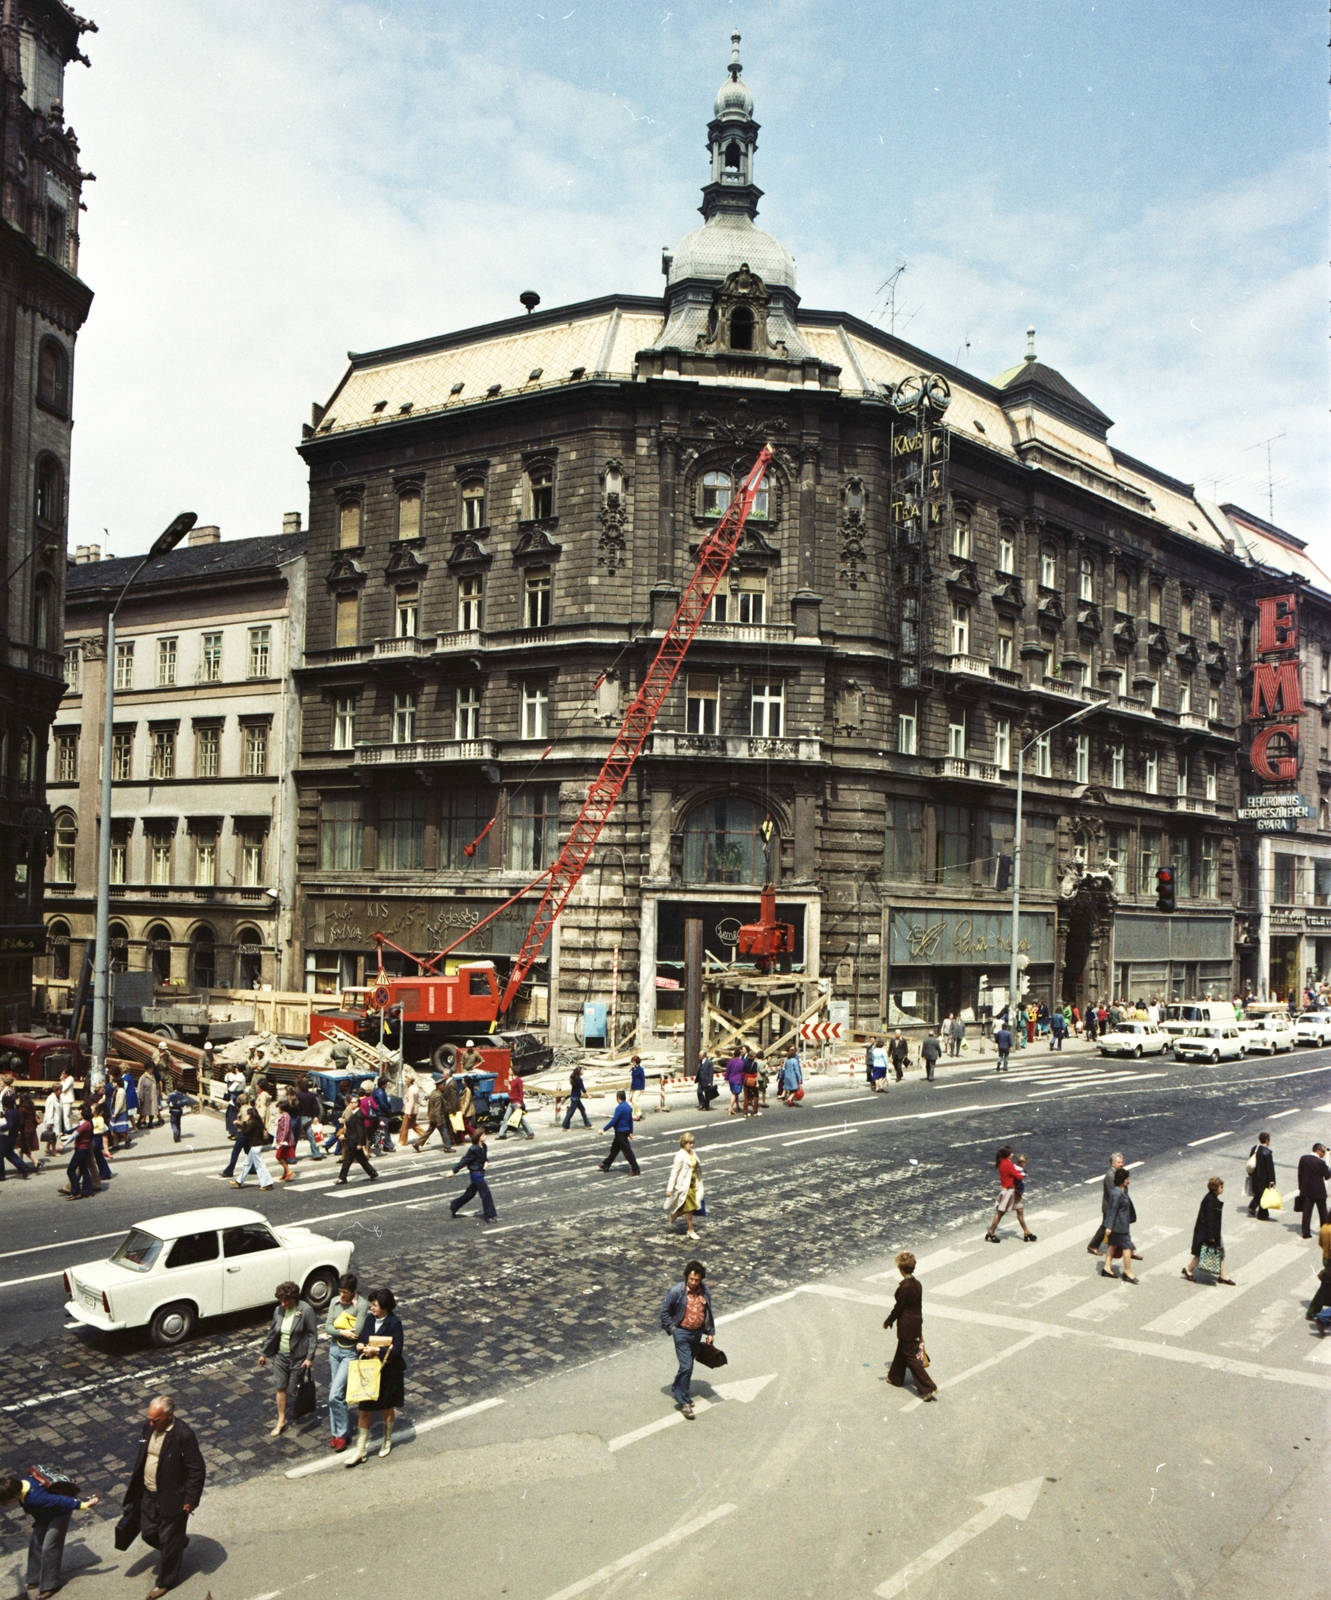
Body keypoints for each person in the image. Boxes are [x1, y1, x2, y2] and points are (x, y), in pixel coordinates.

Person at [122, 1395, 206, 1599]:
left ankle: (165, 1582)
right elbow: (142, 1448)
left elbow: (197, 1468)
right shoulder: (148, 1428)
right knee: (148, 1532)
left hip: (173, 1497)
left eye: (156, 1420)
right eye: (150, 1419)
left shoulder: (183, 1435)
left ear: (169, 1415)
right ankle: (176, 1545)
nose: (151, 1423)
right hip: (148, 1493)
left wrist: (190, 1499)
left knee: (169, 1539)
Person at [0, 1470, 99, 1598]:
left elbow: (60, 1500)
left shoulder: (35, 1497)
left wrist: (83, 1505)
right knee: (36, 1542)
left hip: (60, 1513)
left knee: (50, 1547)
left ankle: (51, 1585)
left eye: (5, 1502)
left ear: (13, 1495)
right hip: (45, 1514)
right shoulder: (24, 1483)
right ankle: (34, 1578)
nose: (5, 1505)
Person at [346, 1288, 406, 1464]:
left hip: (388, 1372)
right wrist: (361, 1346)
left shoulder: (395, 1323)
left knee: (386, 1407)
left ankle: (387, 1440)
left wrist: (377, 1350)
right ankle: (360, 1449)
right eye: (371, 1305)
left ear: (385, 1307)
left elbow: (396, 1350)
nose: (372, 1308)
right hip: (370, 1371)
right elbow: (363, 1339)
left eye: (375, 1305)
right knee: (364, 1408)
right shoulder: (370, 1320)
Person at [257, 1281, 318, 1435]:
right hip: (280, 1356)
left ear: (294, 1299)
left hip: (299, 1357)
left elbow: (312, 1335)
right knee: (280, 1386)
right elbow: (272, 1333)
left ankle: (306, 1402)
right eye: (281, 1301)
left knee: (292, 1389)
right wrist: (264, 1353)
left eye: (286, 1301)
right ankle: (281, 1419)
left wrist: (309, 1357)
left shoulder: (306, 1310)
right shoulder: (279, 1310)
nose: (283, 1304)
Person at [659, 1260, 715, 1420]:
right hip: (682, 1333)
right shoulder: (677, 1291)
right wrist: (673, 1330)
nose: (694, 1283)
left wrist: (710, 1331)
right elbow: (664, 1312)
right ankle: (683, 1402)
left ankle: (678, 1387)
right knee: (687, 1366)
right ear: (686, 1277)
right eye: (691, 1279)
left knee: (687, 1366)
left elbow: (708, 1312)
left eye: (697, 1280)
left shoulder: (705, 1291)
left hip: (696, 1334)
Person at [883, 1250, 937, 1401]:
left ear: (900, 1269)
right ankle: (895, 1377)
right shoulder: (917, 1284)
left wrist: (888, 1321)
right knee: (903, 1350)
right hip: (916, 1322)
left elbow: (898, 1308)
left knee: (910, 1357)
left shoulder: (903, 1287)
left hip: (906, 1325)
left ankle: (928, 1387)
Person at [325, 1272, 371, 1450]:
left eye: (345, 1292)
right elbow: (328, 1327)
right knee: (337, 1394)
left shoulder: (361, 1305)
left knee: (334, 1395)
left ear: (353, 1292)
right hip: (334, 1351)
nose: (342, 1295)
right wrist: (343, 1331)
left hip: (349, 1354)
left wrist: (338, 1327)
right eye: (340, 1291)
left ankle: (343, 1434)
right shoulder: (334, 1302)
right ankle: (337, 1433)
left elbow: (357, 1332)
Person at [1182, 1176, 1234, 1284]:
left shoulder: (1211, 1198)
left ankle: (1223, 1274)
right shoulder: (1210, 1201)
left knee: (1218, 1251)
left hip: (1211, 1232)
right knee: (1203, 1252)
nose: (1223, 1189)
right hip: (1207, 1233)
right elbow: (1209, 1219)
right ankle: (1189, 1269)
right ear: (1216, 1188)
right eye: (1221, 1187)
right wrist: (1211, 1237)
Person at [984, 1145, 1036, 1243]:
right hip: (1008, 1191)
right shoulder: (1007, 1164)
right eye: (1011, 1153)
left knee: (1019, 1210)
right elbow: (1018, 1176)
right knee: (1001, 1213)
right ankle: (991, 1231)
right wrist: (1023, 1174)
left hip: (1010, 1191)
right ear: (1008, 1154)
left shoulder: (1002, 1162)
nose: (1013, 1154)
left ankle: (1026, 1232)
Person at [1099, 1167, 1139, 1281]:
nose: (1129, 1180)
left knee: (1112, 1245)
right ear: (1122, 1180)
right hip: (1119, 1227)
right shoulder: (1117, 1193)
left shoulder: (1122, 1190)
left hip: (1118, 1226)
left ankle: (1107, 1267)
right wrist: (1109, 1227)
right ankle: (1127, 1271)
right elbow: (1112, 1210)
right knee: (1127, 1247)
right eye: (1127, 1179)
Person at [449, 1129, 497, 1221]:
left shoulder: (484, 1146)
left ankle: (454, 1205)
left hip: (481, 1172)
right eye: (483, 1136)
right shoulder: (473, 1149)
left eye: (485, 1135)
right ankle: (489, 1216)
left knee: (470, 1193)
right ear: (478, 1138)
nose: (485, 1137)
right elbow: (464, 1160)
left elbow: (484, 1158)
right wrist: (454, 1171)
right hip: (476, 1174)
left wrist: (486, 1162)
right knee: (486, 1194)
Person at [664, 1132, 704, 1240]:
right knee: (690, 1209)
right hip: (684, 1186)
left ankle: (673, 1216)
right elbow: (674, 1173)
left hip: (693, 1184)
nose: (691, 1145)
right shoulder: (680, 1156)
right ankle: (690, 1230)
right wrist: (669, 1189)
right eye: (689, 1143)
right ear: (684, 1143)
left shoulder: (692, 1153)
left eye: (692, 1143)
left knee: (689, 1207)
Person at [231, 1102, 276, 1190]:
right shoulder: (258, 1122)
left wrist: (244, 1121)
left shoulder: (253, 1124)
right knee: (247, 1163)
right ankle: (238, 1181)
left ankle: (267, 1183)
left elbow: (244, 1132)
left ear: (250, 1115)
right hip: (256, 1146)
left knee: (260, 1165)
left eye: (248, 1114)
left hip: (255, 1146)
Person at [1087, 1152, 1125, 1255]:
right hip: (1109, 1207)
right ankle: (1093, 1245)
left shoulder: (1118, 1173)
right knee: (1106, 1226)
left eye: (1122, 1162)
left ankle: (1122, 1247)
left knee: (1113, 1226)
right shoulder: (1110, 1175)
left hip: (1114, 1206)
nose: (1121, 1164)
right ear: (1113, 1163)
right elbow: (1112, 1193)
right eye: (1119, 1162)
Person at [334, 1098, 379, 1186]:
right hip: (352, 1139)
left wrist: (360, 1143)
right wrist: (345, 1135)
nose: (350, 1104)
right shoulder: (354, 1113)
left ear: (357, 1104)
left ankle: (342, 1178)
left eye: (352, 1103)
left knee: (347, 1160)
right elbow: (352, 1129)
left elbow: (360, 1130)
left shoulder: (359, 1115)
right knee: (361, 1159)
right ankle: (372, 1172)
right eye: (350, 1102)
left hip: (354, 1142)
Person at [600, 1089, 641, 1173]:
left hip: (620, 1132)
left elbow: (614, 1120)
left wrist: (604, 1129)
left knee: (627, 1152)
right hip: (625, 1131)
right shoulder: (628, 1107)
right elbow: (630, 1121)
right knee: (614, 1149)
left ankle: (635, 1168)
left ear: (618, 1098)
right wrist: (631, 1132)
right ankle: (606, 1165)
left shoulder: (619, 1108)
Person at [1296, 1143, 1330, 1238]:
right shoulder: (1321, 1163)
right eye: (1323, 1152)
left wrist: (1301, 1188)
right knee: (1323, 1213)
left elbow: (1300, 1174)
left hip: (1306, 1190)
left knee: (1307, 1212)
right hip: (1319, 1192)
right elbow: (1327, 1176)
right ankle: (1324, 1232)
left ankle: (1305, 1233)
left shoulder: (1303, 1159)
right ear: (1318, 1151)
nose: (1323, 1154)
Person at [416, 1070, 456, 1150]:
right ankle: (447, 1147)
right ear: (439, 1086)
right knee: (444, 1131)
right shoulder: (439, 1095)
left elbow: (430, 1106)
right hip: (438, 1118)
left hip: (432, 1116)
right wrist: (439, 1121)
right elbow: (438, 1109)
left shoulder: (433, 1093)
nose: (444, 1086)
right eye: (443, 1085)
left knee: (429, 1131)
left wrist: (428, 1114)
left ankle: (417, 1143)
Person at [291, 1075, 325, 1160]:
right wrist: (316, 1116)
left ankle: (291, 1157)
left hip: (301, 1118)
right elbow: (316, 1107)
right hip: (310, 1118)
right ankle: (316, 1153)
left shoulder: (297, 1095)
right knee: (311, 1137)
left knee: (294, 1137)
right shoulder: (312, 1095)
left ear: (299, 1086)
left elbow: (295, 1107)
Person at [497, 1069, 534, 1140]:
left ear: (514, 1071)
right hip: (511, 1102)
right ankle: (502, 1134)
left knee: (520, 1119)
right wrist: (508, 1081)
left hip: (516, 1102)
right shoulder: (512, 1080)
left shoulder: (518, 1080)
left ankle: (530, 1133)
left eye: (510, 1070)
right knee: (506, 1118)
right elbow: (510, 1090)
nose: (508, 1071)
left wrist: (520, 1102)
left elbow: (521, 1092)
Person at [1247, 1131, 1277, 1220]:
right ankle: (1262, 1214)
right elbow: (1269, 1168)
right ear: (1267, 1140)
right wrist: (1272, 1180)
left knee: (1259, 1194)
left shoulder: (1255, 1149)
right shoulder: (1267, 1152)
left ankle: (1253, 1207)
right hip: (1264, 1178)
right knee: (1264, 1195)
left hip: (1255, 1176)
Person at [1306, 1220, 1331, 1322]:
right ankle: (1314, 1312)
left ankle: (1314, 1311)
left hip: (1326, 1257)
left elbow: (1320, 1243)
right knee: (1324, 1288)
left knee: (1325, 1286)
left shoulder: (1325, 1226)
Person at [272, 1097, 296, 1182]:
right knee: (283, 1156)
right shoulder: (284, 1116)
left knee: (279, 1156)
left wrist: (282, 1140)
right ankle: (286, 1173)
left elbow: (286, 1129)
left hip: (286, 1141)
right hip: (283, 1140)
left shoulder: (286, 1116)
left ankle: (289, 1171)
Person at [397, 1070, 421, 1147]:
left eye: (406, 1081)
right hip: (415, 1110)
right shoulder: (415, 1088)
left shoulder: (410, 1090)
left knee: (404, 1127)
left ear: (409, 1081)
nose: (405, 1082)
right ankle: (424, 1136)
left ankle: (403, 1141)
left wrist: (409, 1113)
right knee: (414, 1125)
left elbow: (411, 1102)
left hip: (409, 1111)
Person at [136, 1064, 159, 1129]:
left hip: (153, 1095)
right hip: (145, 1096)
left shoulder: (153, 1076)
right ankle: (138, 1123)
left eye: (152, 1068)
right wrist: (140, 1097)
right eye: (150, 1068)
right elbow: (140, 1088)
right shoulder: (143, 1077)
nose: (152, 1070)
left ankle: (150, 1123)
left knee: (152, 1110)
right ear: (146, 1069)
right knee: (144, 1111)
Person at [724, 1050, 745, 1114]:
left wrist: (726, 1078)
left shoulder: (730, 1061)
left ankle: (737, 1106)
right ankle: (730, 1108)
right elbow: (743, 1072)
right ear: (739, 1055)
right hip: (738, 1079)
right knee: (735, 1093)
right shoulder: (741, 1062)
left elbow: (728, 1070)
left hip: (731, 1079)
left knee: (735, 1093)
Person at [741, 1050, 761, 1117]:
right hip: (752, 1080)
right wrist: (757, 1083)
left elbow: (743, 1073)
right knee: (756, 1095)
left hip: (746, 1080)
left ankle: (745, 1112)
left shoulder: (745, 1063)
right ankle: (755, 1111)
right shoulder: (754, 1063)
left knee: (746, 1096)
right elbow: (755, 1074)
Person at [629, 1055, 646, 1121]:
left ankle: (638, 1114)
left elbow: (643, 1079)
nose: (633, 1063)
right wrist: (631, 1087)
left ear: (636, 1062)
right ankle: (634, 1115)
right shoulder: (634, 1068)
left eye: (633, 1062)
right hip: (634, 1086)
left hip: (639, 1087)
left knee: (634, 1100)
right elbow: (633, 1078)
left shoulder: (640, 1069)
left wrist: (642, 1088)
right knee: (633, 1102)